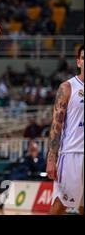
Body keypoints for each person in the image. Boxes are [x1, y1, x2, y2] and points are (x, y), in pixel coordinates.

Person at [47, 45, 84, 215]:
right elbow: (56, 126)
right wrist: (51, 158)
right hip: (72, 155)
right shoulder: (68, 87)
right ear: (79, 62)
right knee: (60, 206)